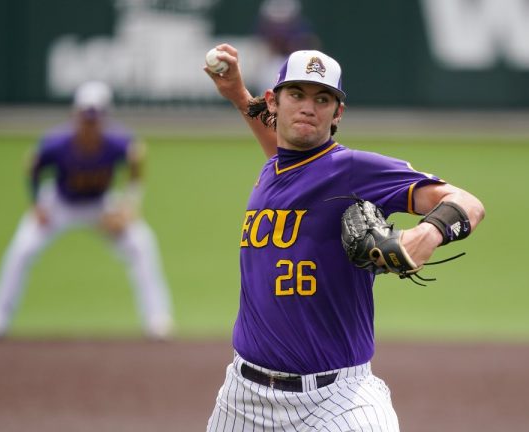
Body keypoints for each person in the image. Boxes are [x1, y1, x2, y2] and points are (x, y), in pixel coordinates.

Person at [202, 45, 485, 430]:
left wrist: (427, 232)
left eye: (323, 99)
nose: (308, 107)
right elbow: (285, 152)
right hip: (242, 399)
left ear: (338, 114)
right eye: (296, 95)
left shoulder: (354, 170)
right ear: (273, 101)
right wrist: (237, 94)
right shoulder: (276, 170)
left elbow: (468, 203)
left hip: (337, 401)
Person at [0, 81, 174, 341]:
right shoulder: (57, 143)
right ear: (75, 115)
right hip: (59, 203)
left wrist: (128, 206)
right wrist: (36, 203)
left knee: (141, 243)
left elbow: (137, 162)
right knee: (22, 249)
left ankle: (157, 319)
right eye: (85, 117)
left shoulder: (117, 142)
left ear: (104, 118)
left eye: (95, 118)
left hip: (100, 204)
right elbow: (32, 166)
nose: (90, 124)